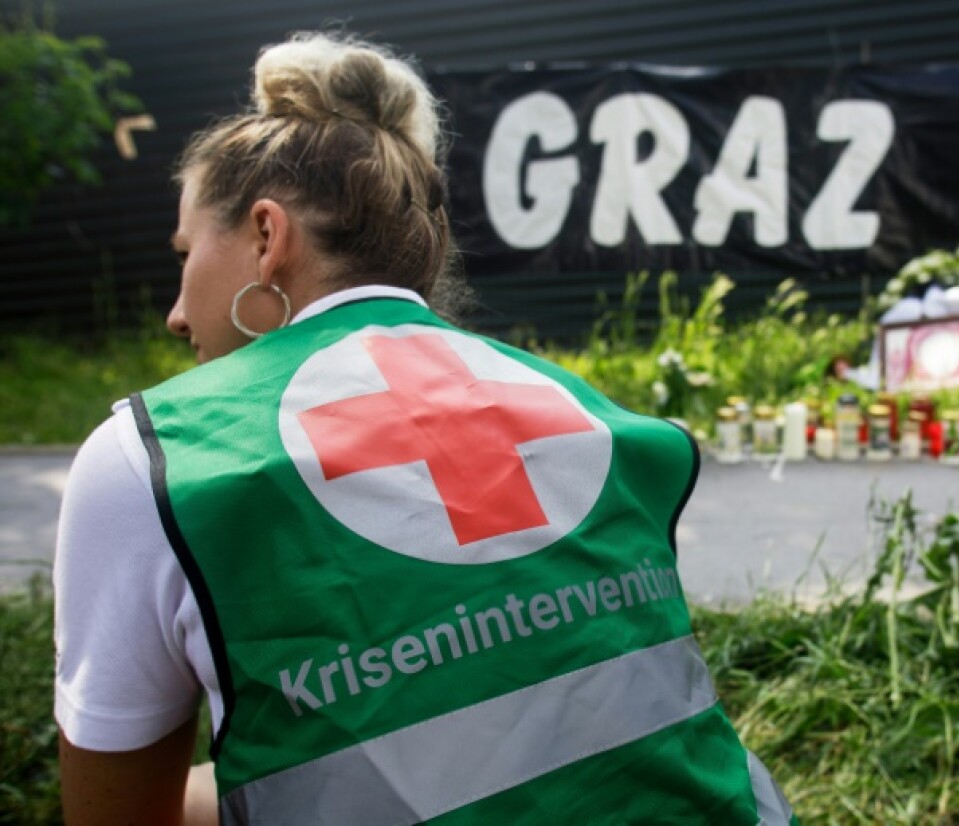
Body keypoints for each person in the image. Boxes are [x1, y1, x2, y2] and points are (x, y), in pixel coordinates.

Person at [54, 32, 794, 825]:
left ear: (267, 238)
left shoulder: (156, 458)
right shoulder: (576, 402)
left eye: (184, 253)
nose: (174, 313)